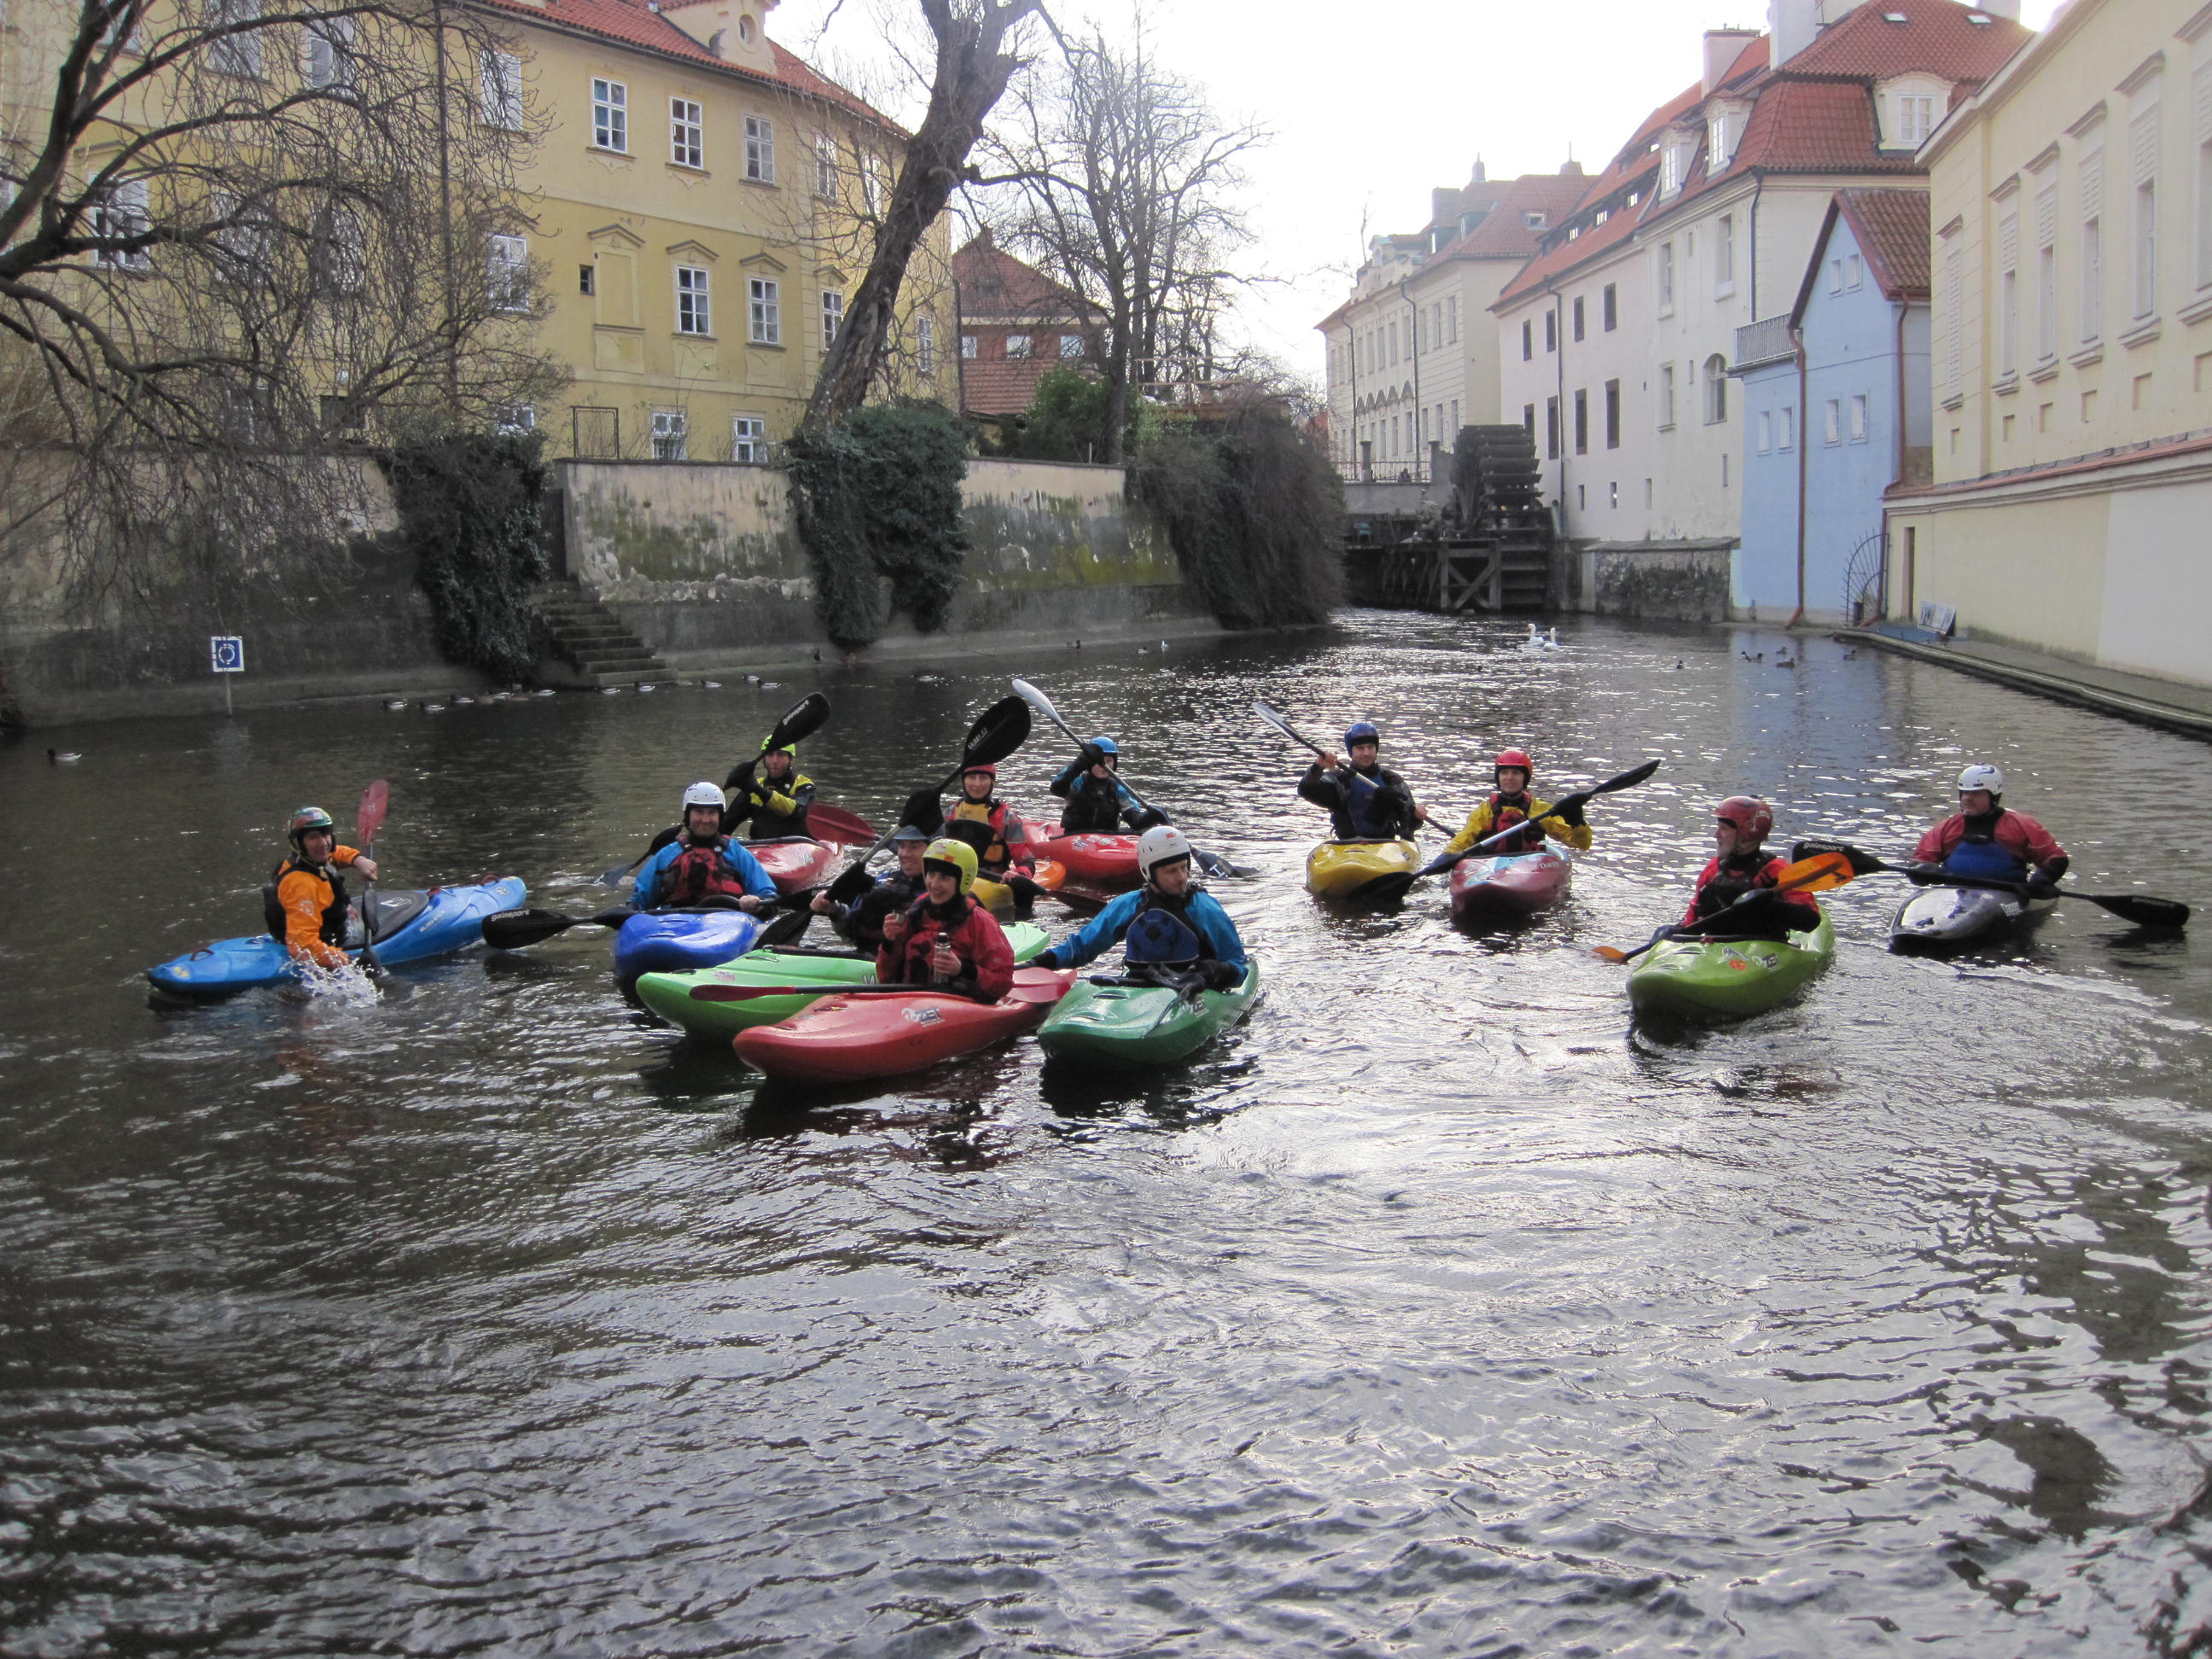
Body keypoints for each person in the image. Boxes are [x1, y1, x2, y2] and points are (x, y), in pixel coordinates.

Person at [1033, 826, 1245, 988]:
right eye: (1171, 871)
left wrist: (1213, 973)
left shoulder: (1204, 908)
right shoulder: (1129, 905)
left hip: (1193, 989)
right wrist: (1040, 962)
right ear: (1149, 873)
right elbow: (1082, 947)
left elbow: (1238, 965)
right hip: (1139, 987)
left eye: (1184, 868)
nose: (1181, 877)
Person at [876, 838, 1016, 1002]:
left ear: (962, 881)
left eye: (944, 877)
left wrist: (963, 970)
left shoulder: (981, 922)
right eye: (931, 874)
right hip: (911, 1001)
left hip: (957, 1003)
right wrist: (889, 942)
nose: (934, 884)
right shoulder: (914, 915)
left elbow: (1003, 984)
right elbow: (885, 978)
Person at [1681, 795, 1822, 939]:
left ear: (1748, 833)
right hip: (1716, 944)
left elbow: (1811, 920)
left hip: (1765, 945)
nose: (1716, 835)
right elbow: (1691, 919)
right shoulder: (1714, 869)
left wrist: (1770, 907)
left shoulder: (1779, 871)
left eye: (1724, 829)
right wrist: (1676, 931)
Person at [1911, 763, 2068, 890]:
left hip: (2007, 895)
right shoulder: (1947, 828)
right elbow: (1920, 860)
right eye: (1964, 793)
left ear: (1993, 797)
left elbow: (2055, 858)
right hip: (1955, 894)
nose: (1967, 798)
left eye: (1976, 793)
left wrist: (2042, 879)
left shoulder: (2022, 825)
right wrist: (1923, 871)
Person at [632, 782, 777, 911]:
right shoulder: (667, 855)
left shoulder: (737, 853)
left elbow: (768, 896)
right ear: (688, 815)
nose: (705, 820)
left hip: (727, 922)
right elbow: (639, 902)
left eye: (712, 813)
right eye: (699, 812)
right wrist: (630, 909)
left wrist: (756, 903)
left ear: (720, 817)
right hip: (675, 922)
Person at [265, 806, 379, 969]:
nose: (324, 843)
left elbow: (335, 853)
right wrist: (349, 962)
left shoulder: (310, 859)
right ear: (299, 843)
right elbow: (302, 947)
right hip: (320, 946)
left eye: (326, 834)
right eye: (313, 837)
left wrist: (357, 860)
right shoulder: (302, 885)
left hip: (325, 930)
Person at [918, 763, 1045, 905]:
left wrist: (1018, 875)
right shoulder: (950, 813)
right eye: (972, 777)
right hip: (952, 879)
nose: (977, 784)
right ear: (963, 781)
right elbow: (933, 851)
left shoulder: (1006, 818)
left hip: (992, 881)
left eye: (983, 778)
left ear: (992, 782)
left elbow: (1026, 860)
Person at [1441, 748, 1595, 858]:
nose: (1509, 778)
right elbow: (1464, 838)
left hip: (1529, 868)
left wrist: (1577, 822)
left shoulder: (1540, 810)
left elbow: (1582, 844)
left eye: (1516, 773)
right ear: (1498, 777)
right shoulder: (1484, 810)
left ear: (1525, 778)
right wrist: (1448, 855)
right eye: (1504, 772)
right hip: (1490, 866)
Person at [1297, 720, 1428, 841]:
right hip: (1346, 844)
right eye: (1360, 748)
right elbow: (1305, 790)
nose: (1366, 753)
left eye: (1370, 747)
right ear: (1351, 751)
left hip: (1385, 845)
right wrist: (1318, 766)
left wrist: (1417, 816)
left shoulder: (1392, 780)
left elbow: (1410, 825)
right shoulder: (1337, 779)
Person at [812, 824, 930, 948]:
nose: (905, 854)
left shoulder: (939, 893)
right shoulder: (884, 884)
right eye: (902, 846)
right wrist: (835, 910)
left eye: (914, 847)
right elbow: (850, 934)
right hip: (872, 956)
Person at [1047, 736, 1163, 834]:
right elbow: (1057, 788)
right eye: (1099, 762)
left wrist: (1149, 817)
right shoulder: (1077, 781)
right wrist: (1080, 763)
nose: (1104, 766)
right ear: (1089, 763)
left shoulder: (1119, 788)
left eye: (1109, 761)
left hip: (1106, 841)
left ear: (1114, 763)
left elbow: (1133, 819)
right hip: (1075, 838)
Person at [723, 739, 816, 840]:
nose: (775, 761)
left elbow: (796, 811)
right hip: (760, 847)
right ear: (764, 759)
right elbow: (725, 826)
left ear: (791, 759)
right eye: (770, 755)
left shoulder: (804, 785)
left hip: (798, 846)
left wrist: (758, 789)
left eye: (780, 755)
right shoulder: (753, 788)